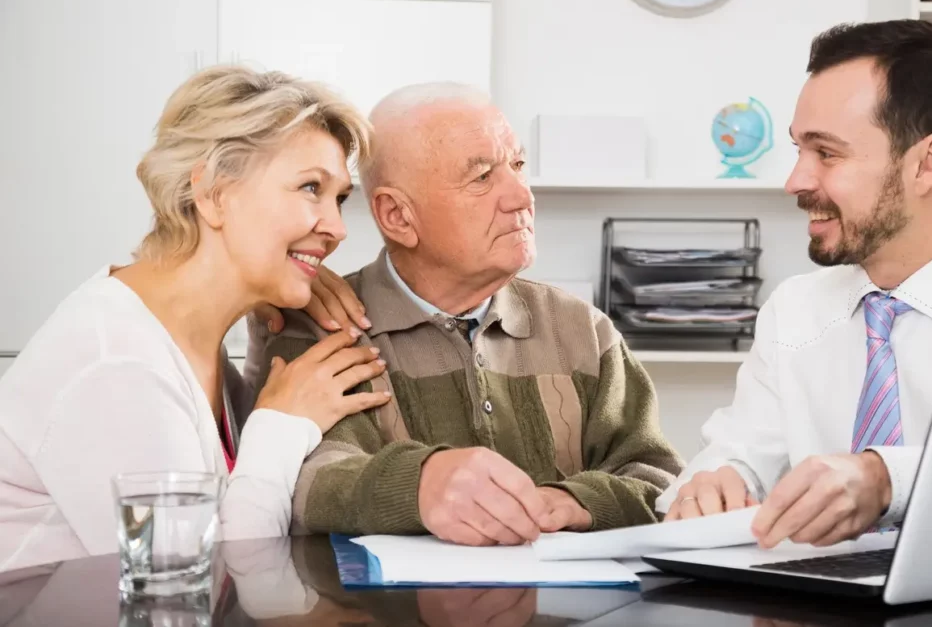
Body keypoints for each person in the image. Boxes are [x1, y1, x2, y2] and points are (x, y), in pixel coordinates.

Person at [245, 82, 683, 545]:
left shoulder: (585, 331)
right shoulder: (319, 328)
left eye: (518, 165)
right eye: (482, 177)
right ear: (397, 216)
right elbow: (306, 482)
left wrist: (576, 502)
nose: (522, 196)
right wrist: (419, 484)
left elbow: (659, 478)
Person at [0, 65, 392, 572]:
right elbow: (198, 585)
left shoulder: (186, 337)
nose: (337, 228)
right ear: (213, 195)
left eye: (338, 198)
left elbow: (235, 488)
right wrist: (282, 427)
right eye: (310, 187)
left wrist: (268, 327)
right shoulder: (118, 365)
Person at [658, 19, 932, 549]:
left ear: (928, 163)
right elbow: (739, 453)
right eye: (799, 150)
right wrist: (716, 483)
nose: (795, 181)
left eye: (826, 153)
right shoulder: (794, 312)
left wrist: (887, 480)